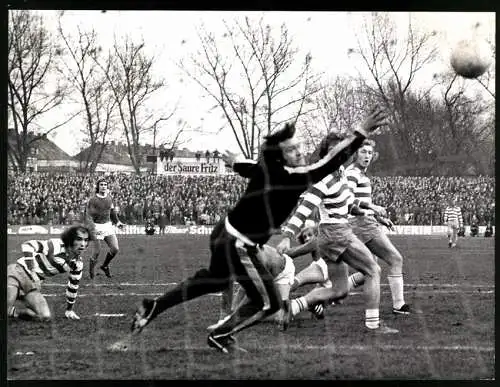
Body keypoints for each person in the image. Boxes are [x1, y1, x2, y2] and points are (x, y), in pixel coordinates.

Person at [130, 106, 388, 353]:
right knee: (269, 303)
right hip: (239, 244)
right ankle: (220, 335)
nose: (299, 152)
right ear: (281, 156)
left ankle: (153, 307)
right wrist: (361, 132)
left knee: (213, 280)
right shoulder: (292, 177)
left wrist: (236, 163)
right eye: (292, 149)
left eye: (299, 147)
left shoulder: (268, 169)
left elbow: (250, 168)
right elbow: (330, 162)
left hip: (225, 233)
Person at [277, 132, 398, 334]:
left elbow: (349, 204)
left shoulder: (340, 172)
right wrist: (288, 236)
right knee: (373, 270)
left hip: (331, 236)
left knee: (339, 290)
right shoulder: (323, 180)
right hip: (337, 233)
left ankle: (293, 306)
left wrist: (369, 211)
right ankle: (373, 324)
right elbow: (304, 208)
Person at [344, 139, 414, 315]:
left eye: (369, 153)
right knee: (395, 259)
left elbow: (359, 202)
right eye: (363, 152)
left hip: (362, 222)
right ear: (355, 154)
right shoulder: (353, 173)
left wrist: (378, 217)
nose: (367, 156)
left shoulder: (361, 174)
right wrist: (372, 208)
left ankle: (328, 295)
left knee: (370, 269)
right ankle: (399, 305)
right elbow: (346, 198)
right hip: (361, 224)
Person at [7, 225, 91, 321]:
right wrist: (32, 271)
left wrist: (69, 310)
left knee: (45, 316)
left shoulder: (77, 264)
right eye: (79, 239)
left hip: (31, 286)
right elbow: (28, 245)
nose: (83, 244)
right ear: (71, 239)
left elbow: (73, 286)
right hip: (16, 273)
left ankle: (14, 311)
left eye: (86, 240)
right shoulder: (56, 245)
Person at [86, 178, 124, 279]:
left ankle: (105, 266)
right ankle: (91, 271)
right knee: (97, 251)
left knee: (115, 249)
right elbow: (89, 215)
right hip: (97, 227)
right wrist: (91, 226)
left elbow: (112, 213)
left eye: (105, 185)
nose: (103, 186)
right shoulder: (93, 200)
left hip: (107, 226)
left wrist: (118, 222)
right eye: (101, 184)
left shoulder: (109, 198)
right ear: (98, 187)